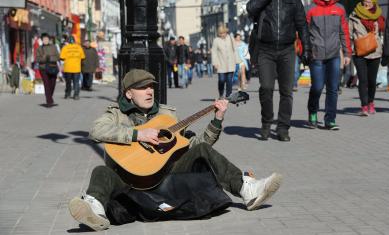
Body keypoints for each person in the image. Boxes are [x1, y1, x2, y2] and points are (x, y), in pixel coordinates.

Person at [68, 69, 282, 231]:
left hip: (164, 175)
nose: (150, 90)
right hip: (128, 178)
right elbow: (96, 130)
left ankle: (248, 190)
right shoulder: (116, 114)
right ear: (129, 93)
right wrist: (137, 135)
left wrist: (217, 120)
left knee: (203, 150)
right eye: (143, 87)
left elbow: (194, 145)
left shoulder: (167, 115)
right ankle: (94, 211)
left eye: (151, 86)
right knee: (101, 171)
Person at [246, 0, 310, 142]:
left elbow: (302, 25)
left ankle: (283, 128)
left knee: (286, 91)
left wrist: (307, 48)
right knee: (266, 88)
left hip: (287, 50)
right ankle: (266, 123)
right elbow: (250, 9)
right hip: (265, 50)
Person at [306, 0, 352, 130]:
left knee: (333, 88)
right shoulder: (311, 9)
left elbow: (344, 32)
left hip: (333, 55)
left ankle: (330, 119)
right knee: (317, 87)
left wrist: (347, 53)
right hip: (316, 55)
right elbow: (304, 33)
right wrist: (306, 52)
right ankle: (313, 112)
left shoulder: (339, 9)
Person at [349, 0, 385, 116]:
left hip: (375, 52)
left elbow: (382, 32)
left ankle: (371, 102)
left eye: (370, 2)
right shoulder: (354, 15)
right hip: (359, 52)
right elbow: (348, 34)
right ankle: (364, 106)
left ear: (374, 2)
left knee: (372, 80)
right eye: (365, 1)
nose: (367, 4)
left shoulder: (379, 16)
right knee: (363, 80)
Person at [211, 25, 240, 98]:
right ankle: (221, 94)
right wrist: (215, 63)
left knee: (229, 80)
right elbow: (214, 52)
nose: (222, 35)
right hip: (221, 64)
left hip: (231, 63)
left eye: (223, 33)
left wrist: (237, 60)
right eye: (220, 33)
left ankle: (228, 95)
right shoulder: (216, 40)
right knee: (221, 80)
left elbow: (235, 49)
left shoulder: (230, 38)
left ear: (226, 32)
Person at [36, 33, 60, 107]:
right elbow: (38, 59)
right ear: (42, 40)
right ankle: (49, 100)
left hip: (53, 67)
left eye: (46, 39)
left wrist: (50, 58)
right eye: (44, 39)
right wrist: (45, 58)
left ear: (49, 40)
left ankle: (50, 97)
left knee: (52, 84)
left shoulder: (54, 47)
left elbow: (58, 57)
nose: (45, 40)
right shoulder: (39, 48)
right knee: (46, 84)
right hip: (43, 68)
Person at [60, 36, 86, 100]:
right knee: (76, 82)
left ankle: (68, 94)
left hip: (68, 68)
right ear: (74, 41)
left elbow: (62, 58)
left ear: (68, 41)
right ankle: (76, 95)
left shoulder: (65, 48)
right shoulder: (79, 47)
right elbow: (83, 57)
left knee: (68, 82)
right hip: (77, 68)